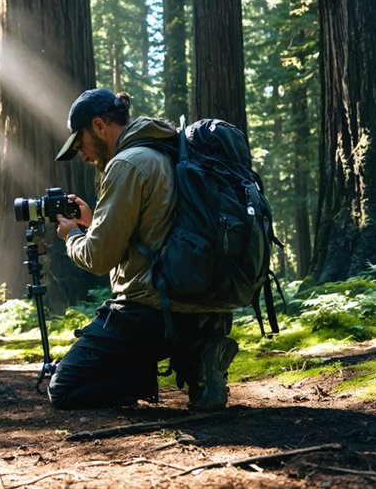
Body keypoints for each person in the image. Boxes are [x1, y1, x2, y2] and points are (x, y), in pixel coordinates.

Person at [48, 88, 238, 411]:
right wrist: (94, 222)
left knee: (63, 388)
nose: (83, 155)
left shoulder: (126, 164)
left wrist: (70, 236)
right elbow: (156, 232)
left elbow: (97, 258)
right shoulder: (169, 150)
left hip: (149, 312)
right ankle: (197, 355)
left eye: (81, 144)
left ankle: (141, 378)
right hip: (199, 305)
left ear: (98, 125)